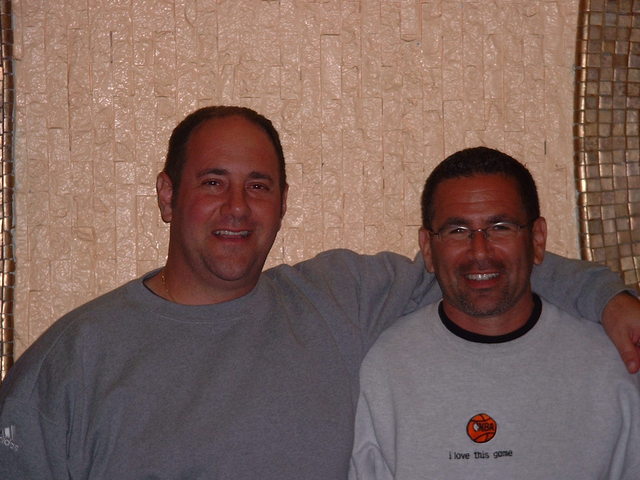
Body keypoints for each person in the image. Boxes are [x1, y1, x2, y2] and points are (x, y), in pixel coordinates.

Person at [0, 108, 638, 480]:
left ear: (282, 203)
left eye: (259, 186)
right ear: (168, 196)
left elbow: (478, 263)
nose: (236, 207)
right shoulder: (78, 356)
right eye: (213, 182)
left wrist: (606, 298)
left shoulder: (337, 300)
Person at [349, 147, 640, 479]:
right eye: (457, 231)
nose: (480, 252)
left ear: (537, 239)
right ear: (428, 248)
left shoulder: (613, 362)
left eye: (500, 227)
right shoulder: (387, 367)